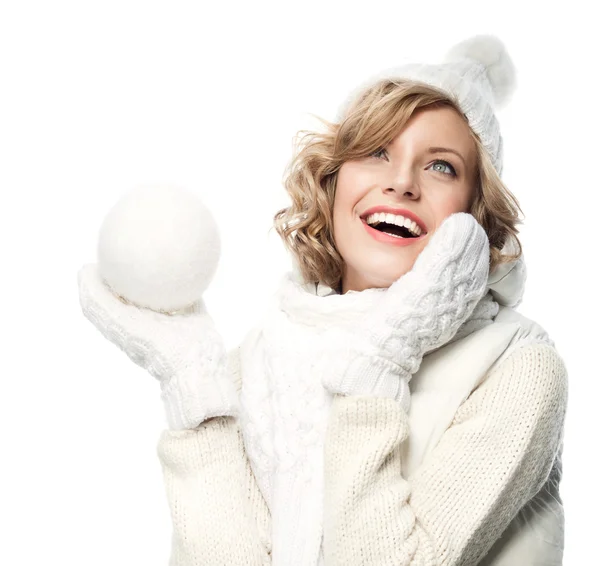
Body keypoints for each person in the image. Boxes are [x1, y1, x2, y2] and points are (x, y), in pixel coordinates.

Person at [77, 34, 568, 566]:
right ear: (331, 185)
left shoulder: (517, 369)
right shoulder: (262, 357)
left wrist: (381, 359)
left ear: (476, 215)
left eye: (441, 166)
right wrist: (192, 383)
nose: (401, 182)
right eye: (377, 151)